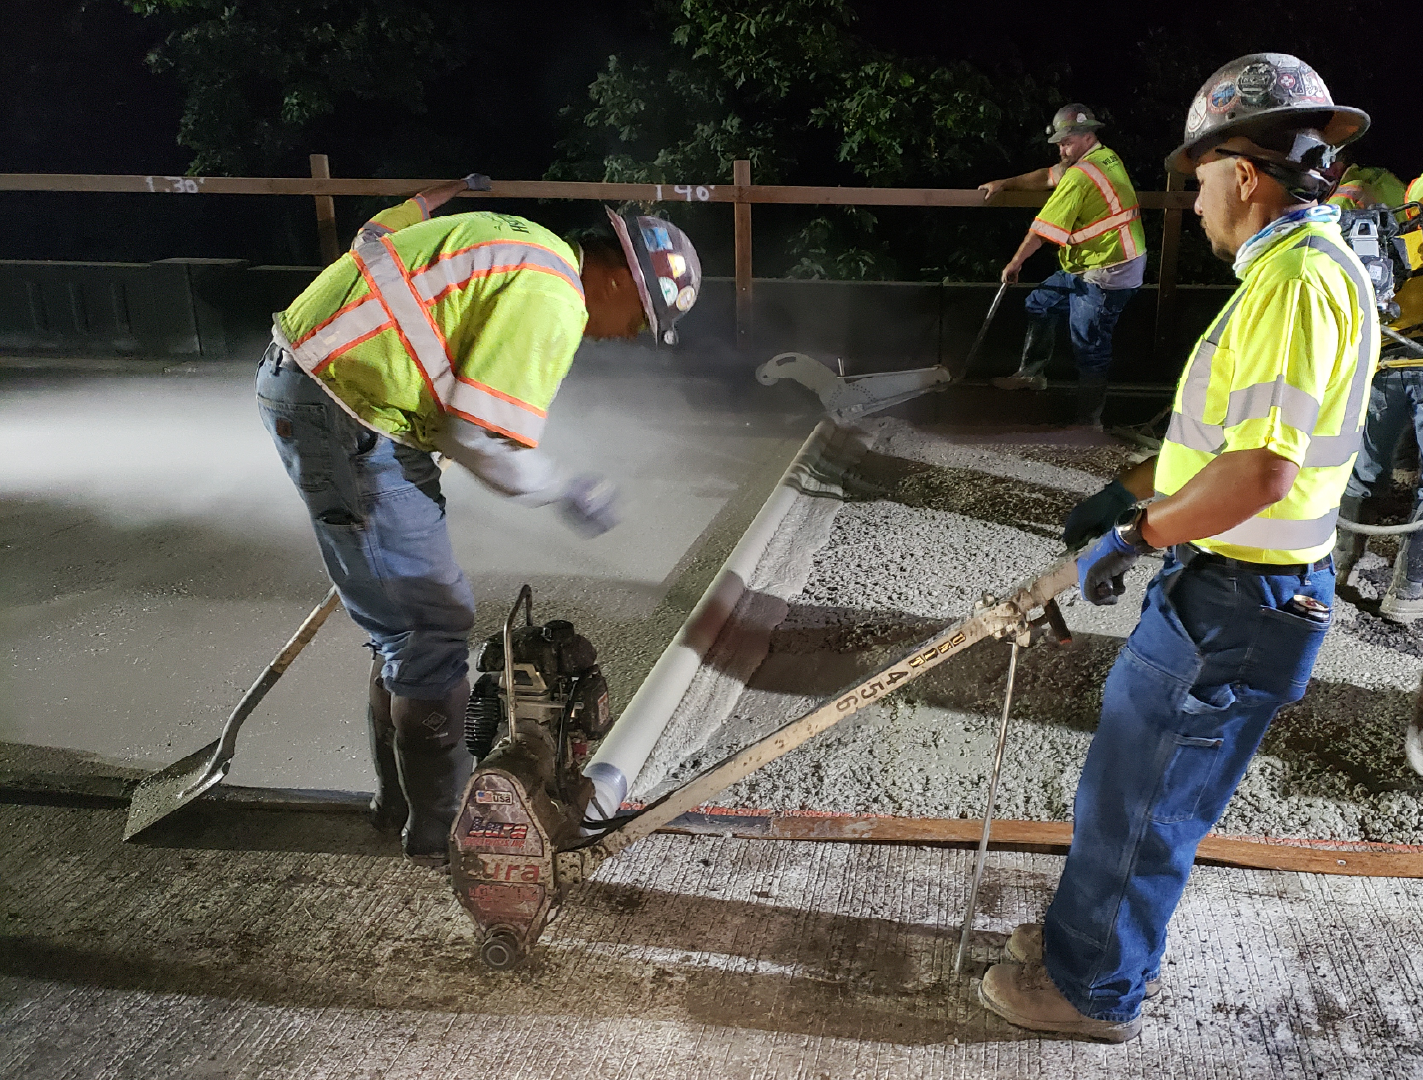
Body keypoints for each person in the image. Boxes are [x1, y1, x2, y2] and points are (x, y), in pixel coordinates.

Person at [981, 53, 1375, 1042]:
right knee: (1128, 776)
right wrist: (1125, 491)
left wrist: (1131, 536)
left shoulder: (1294, 283)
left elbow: (1259, 475)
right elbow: (1218, 446)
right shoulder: (1288, 272)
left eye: (1196, 177)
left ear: (1244, 171)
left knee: (1146, 799)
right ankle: (1081, 943)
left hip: (1240, 598)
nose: (1191, 200)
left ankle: (1088, 992)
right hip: (1226, 587)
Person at [256, 175, 702, 866]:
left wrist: (425, 199)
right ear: (617, 278)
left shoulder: (517, 242)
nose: (629, 338)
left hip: (336, 399)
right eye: (641, 320)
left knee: (402, 628)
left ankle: (401, 807)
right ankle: (446, 839)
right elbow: (479, 440)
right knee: (431, 623)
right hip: (350, 416)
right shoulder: (553, 296)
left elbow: (375, 237)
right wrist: (566, 489)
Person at [978, 104, 1147, 428]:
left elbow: (1043, 230)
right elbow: (1047, 176)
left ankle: (1088, 423)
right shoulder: (1103, 157)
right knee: (1039, 303)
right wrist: (1005, 182)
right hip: (1095, 261)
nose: (1060, 148)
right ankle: (1032, 375)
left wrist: (1015, 263)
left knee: (1090, 346)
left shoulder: (1082, 176)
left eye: (1065, 142)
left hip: (1105, 272)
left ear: (1086, 136)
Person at [1332, 170, 1423, 622]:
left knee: (1366, 469)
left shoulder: (1397, 213)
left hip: (1397, 359)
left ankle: (1402, 581)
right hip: (1392, 359)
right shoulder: (1400, 216)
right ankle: (1345, 561)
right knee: (1363, 468)